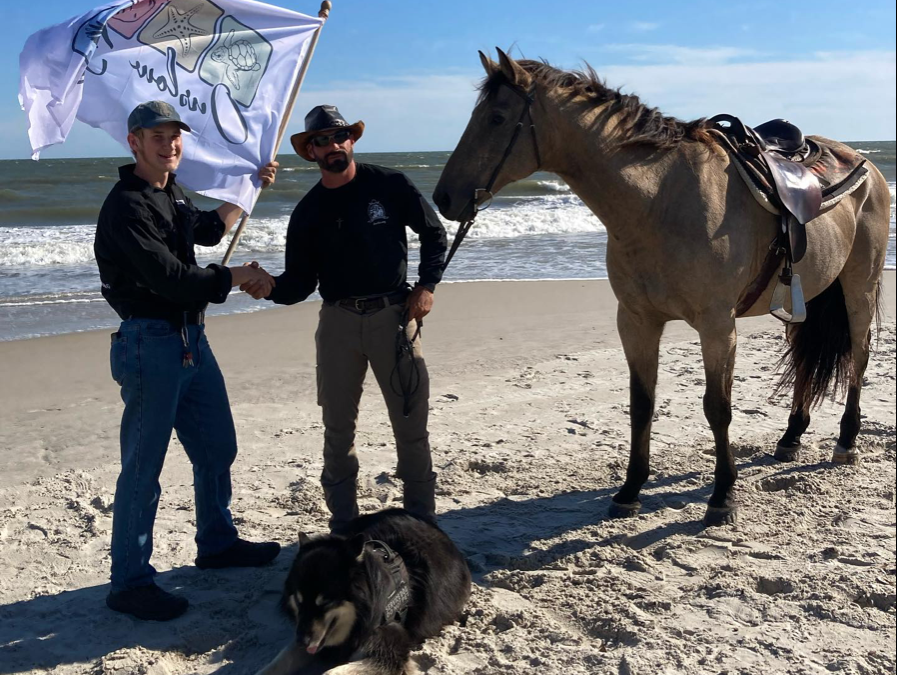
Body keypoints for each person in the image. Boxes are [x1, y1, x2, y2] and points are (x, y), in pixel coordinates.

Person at [94, 100, 281, 621]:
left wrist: (247, 190)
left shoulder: (167, 191)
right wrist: (240, 276)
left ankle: (217, 543)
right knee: (143, 467)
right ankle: (129, 581)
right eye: (157, 135)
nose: (169, 143)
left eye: (174, 135)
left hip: (190, 340)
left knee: (218, 445)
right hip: (148, 344)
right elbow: (173, 281)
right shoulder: (127, 206)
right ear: (133, 142)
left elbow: (206, 231)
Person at [243, 104, 447, 534]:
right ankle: (344, 525)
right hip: (337, 323)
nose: (333, 145)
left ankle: (421, 523)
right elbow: (298, 284)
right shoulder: (308, 212)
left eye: (339, 136)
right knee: (338, 430)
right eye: (321, 140)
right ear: (310, 152)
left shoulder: (389, 184)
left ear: (351, 140)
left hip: (394, 315)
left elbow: (433, 232)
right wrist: (268, 286)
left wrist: (427, 286)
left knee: (411, 426)